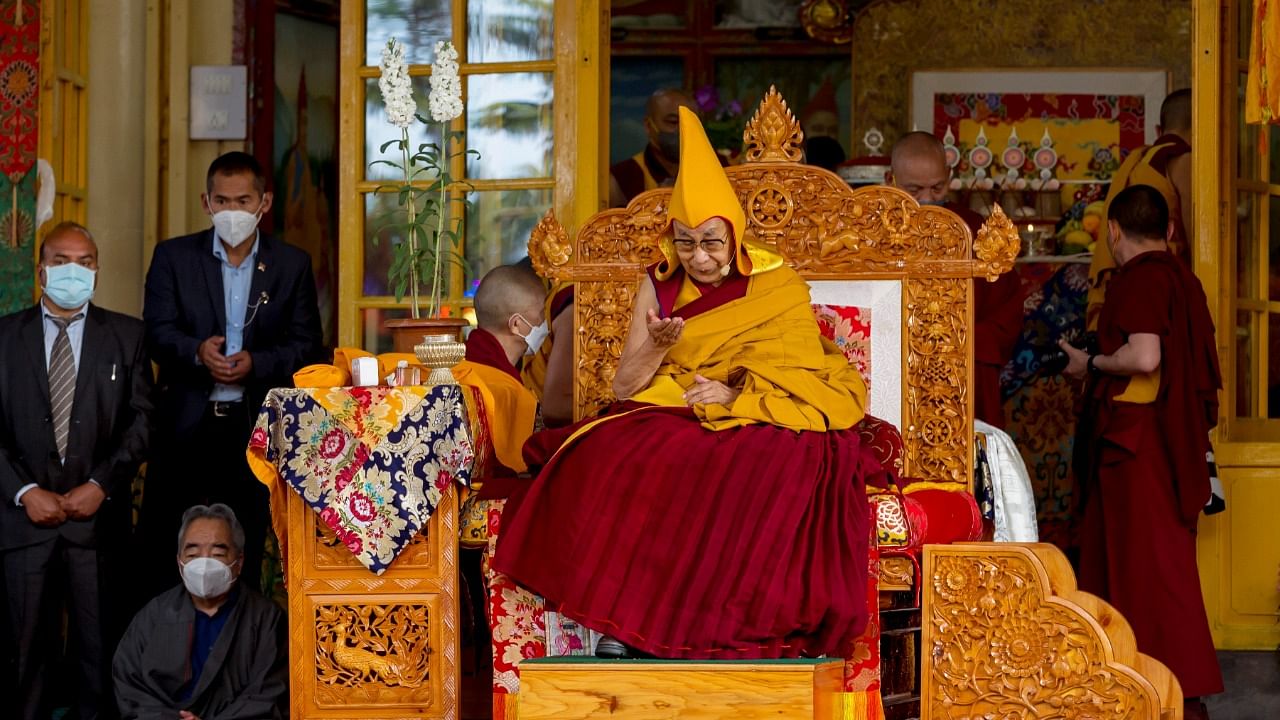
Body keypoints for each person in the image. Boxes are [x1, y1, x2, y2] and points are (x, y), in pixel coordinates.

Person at [493, 106, 879, 660]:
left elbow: (804, 372)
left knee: (763, 461)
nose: (698, 257)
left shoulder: (777, 284)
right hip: (673, 400)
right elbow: (626, 386)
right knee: (609, 450)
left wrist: (735, 396)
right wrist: (656, 344)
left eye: (712, 243)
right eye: (686, 242)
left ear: (735, 236)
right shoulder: (661, 282)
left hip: (762, 407)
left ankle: (719, 624)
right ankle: (624, 624)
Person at [1058, 185, 1222, 720]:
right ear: (1170, 230)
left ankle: (1161, 688)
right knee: (1153, 566)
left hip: (1139, 444)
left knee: (1149, 569)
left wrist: (1095, 365)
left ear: (1112, 231)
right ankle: (1140, 682)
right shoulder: (1182, 278)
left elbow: (1146, 355)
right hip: (1162, 442)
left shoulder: (1144, 278)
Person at [141, 151, 323, 598]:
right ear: (206, 202)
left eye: (243, 201)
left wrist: (257, 362)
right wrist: (197, 352)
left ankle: (242, 652)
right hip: (187, 427)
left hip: (253, 429)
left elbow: (308, 345)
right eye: (222, 201)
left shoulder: (290, 264)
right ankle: (171, 654)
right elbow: (155, 333)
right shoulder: (174, 257)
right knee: (169, 545)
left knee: (245, 541)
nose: (232, 212)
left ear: (264, 202)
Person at [0, 222, 153, 720]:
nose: (74, 271)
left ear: (97, 270)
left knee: (98, 658)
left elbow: (143, 421)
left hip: (97, 525)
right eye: (62, 260)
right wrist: (23, 490)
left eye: (85, 262)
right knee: (23, 661)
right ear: (40, 268)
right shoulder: (4, 337)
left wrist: (102, 484)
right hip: (23, 525)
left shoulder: (127, 335)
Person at [887, 131, 1024, 427]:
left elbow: (1007, 310)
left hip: (964, 370)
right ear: (891, 180)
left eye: (937, 187)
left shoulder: (977, 232)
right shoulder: (877, 234)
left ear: (949, 177)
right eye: (915, 189)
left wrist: (958, 341)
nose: (928, 199)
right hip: (897, 368)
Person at [113, 504, 287, 719]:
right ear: (179, 562)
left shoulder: (266, 618)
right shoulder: (155, 614)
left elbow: (269, 692)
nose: (204, 564)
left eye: (217, 553)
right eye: (193, 553)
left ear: (239, 562)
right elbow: (129, 684)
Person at [1086, 89, 1193, 329]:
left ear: (1158, 130)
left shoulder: (1139, 159)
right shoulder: (1183, 160)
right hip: (1164, 284)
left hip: (1131, 277)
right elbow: (1195, 230)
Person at [608, 88, 699, 208]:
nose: (682, 130)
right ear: (648, 125)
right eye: (673, 122)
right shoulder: (621, 177)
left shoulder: (719, 167)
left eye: (690, 123)